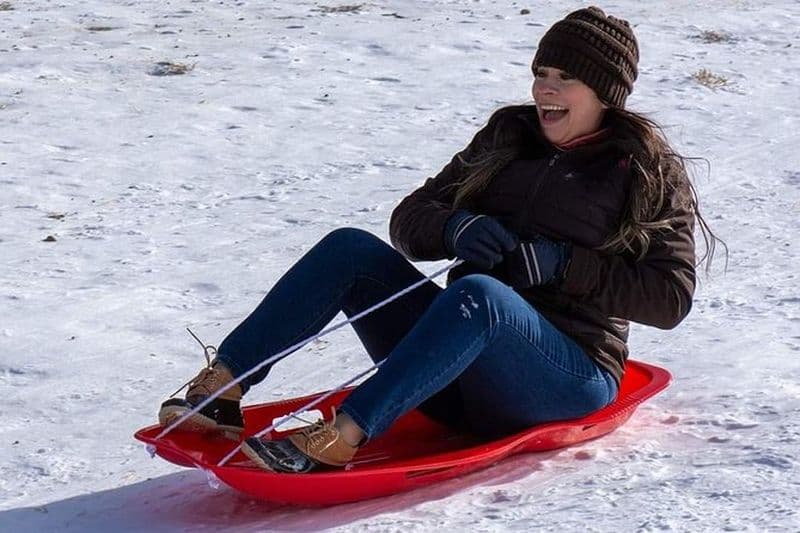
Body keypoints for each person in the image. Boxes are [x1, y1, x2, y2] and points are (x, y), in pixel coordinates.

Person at [158, 6, 720, 474]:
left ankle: (344, 436)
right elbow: (410, 218)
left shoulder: (644, 169)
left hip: (564, 381)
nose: (544, 89)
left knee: (482, 296)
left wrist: (563, 266)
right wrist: (456, 227)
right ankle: (223, 389)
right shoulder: (509, 136)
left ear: (603, 93)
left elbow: (671, 298)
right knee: (349, 249)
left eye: (564, 78)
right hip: (451, 372)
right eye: (541, 72)